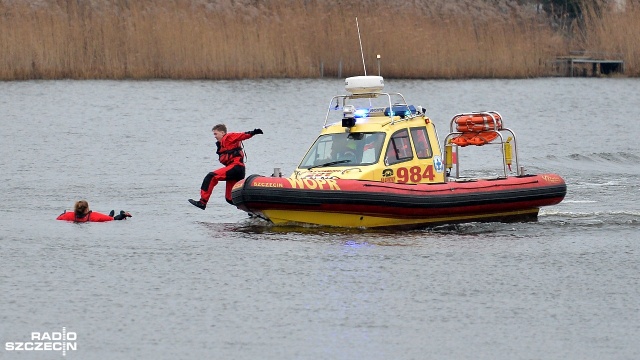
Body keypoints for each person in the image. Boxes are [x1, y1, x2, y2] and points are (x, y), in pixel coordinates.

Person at [189, 124, 263, 210]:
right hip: (236, 170)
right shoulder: (222, 144)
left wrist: (253, 132)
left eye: (215, 134)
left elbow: (242, 135)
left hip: (236, 167)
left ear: (222, 133)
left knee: (211, 176)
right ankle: (252, 210)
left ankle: (202, 202)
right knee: (230, 198)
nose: (215, 136)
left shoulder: (228, 137)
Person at [56, 200, 132, 222]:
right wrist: (123, 216)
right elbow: (113, 220)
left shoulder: (69, 215)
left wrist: (63, 213)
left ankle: (112, 214)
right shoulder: (94, 216)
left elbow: (58, 218)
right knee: (112, 218)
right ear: (86, 209)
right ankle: (123, 214)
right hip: (106, 218)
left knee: (110, 217)